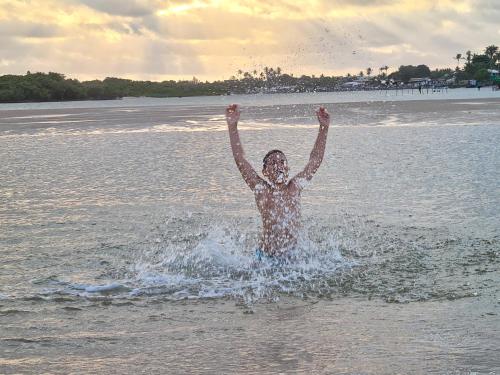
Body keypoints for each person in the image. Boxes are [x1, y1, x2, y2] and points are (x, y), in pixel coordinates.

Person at [225, 104, 330, 258]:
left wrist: (324, 128)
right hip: (266, 257)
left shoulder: (295, 187)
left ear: (287, 169)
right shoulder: (262, 190)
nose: (278, 166)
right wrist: (232, 126)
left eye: (282, 162)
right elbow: (240, 160)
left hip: (293, 256)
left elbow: (315, 160)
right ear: (265, 172)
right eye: (273, 163)